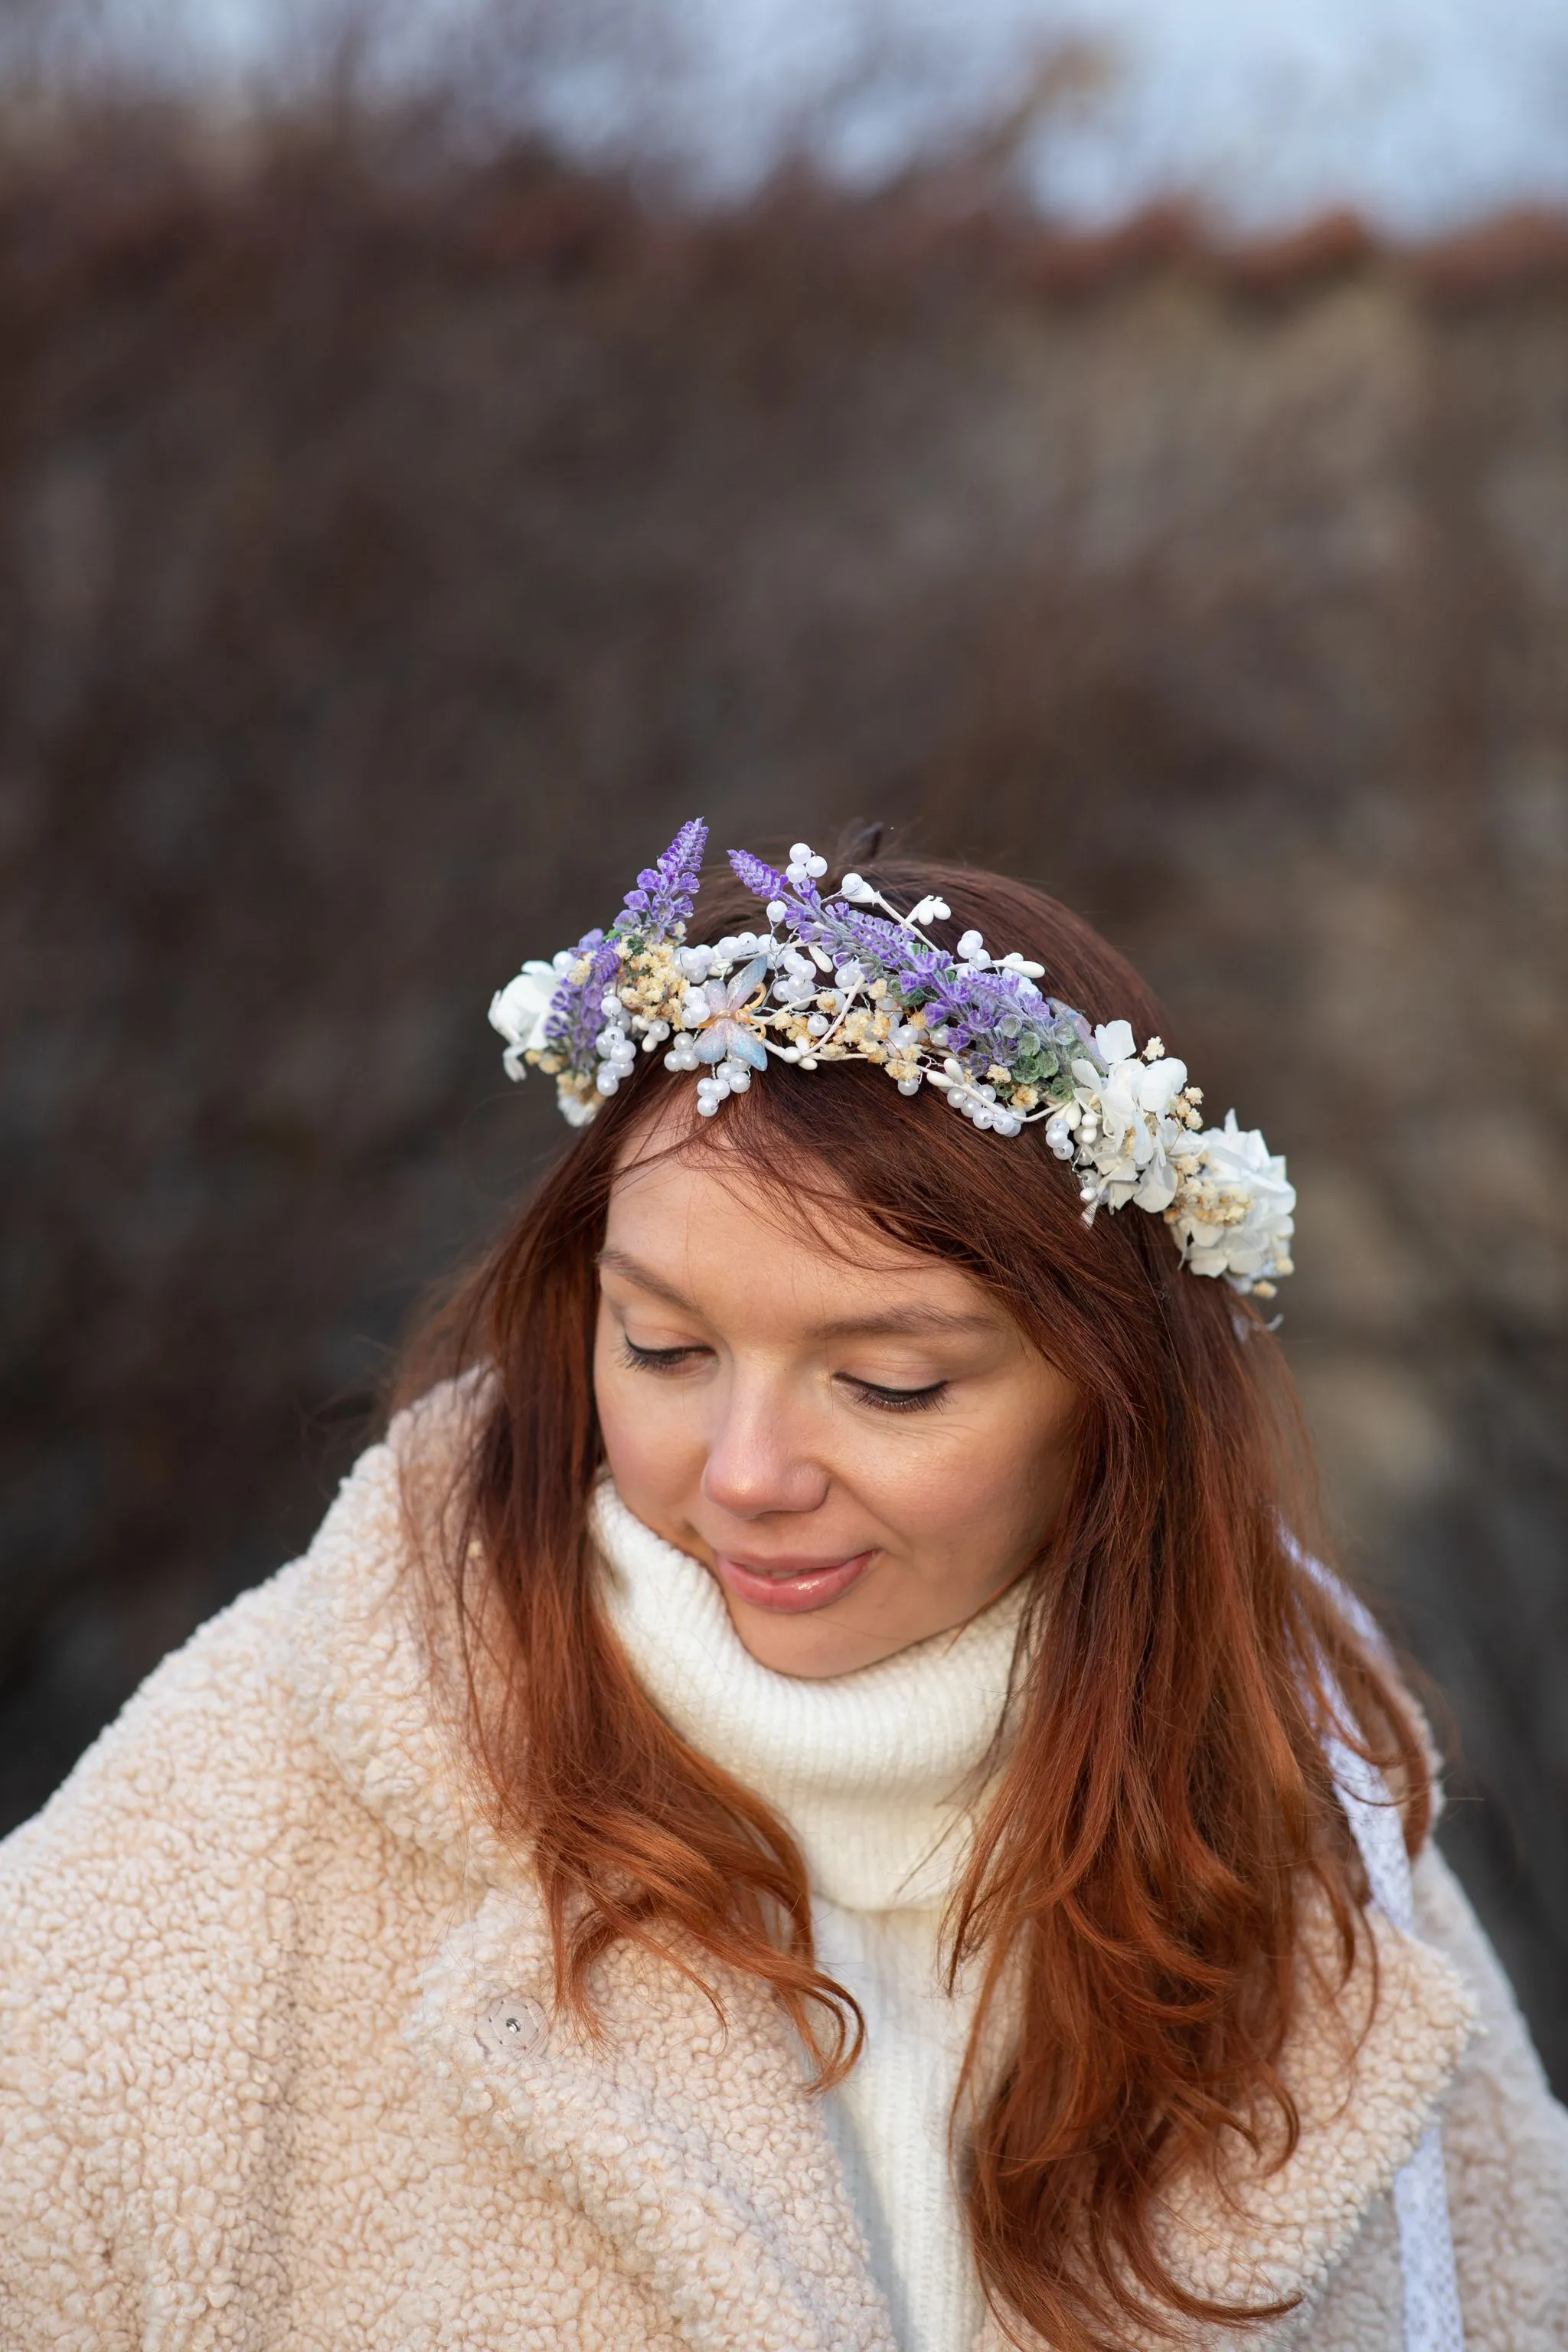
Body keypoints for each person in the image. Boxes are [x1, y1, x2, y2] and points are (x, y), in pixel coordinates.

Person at [1, 825, 1563, 2352]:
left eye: (886, 1384)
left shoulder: (1315, 1821)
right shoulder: (241, 1804)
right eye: (665, 1350)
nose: (744, 1471)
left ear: (1117, 1406)